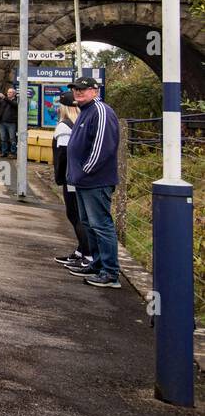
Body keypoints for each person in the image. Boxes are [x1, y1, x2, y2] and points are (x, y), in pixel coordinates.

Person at [63, 77, 122, 288]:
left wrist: (85, 171)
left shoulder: (101, 111)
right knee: (89, 223)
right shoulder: (85, 110)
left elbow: (102, 147)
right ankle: (97, 264)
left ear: (95, 91)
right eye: (75, 89)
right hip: (82, 180)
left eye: (83, 89)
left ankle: (110, 272)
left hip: (95, 180)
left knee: (101, 224)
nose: (78, 92)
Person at [50, 92, 93, 270]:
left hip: (71, 177)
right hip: (82, 176)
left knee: (75, 214)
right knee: (81, 214)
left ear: (64, 107)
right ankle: (82, 250)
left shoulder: (63, 127)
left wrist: (60, 177)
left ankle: (88, 254)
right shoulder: (80, 123)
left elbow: (63, 156)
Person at [0, 86, 19, 157]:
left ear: (14, 94)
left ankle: (14, 153)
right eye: (8, 92)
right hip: (2, 122)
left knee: (12, 138)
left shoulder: (15, 101)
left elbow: (13, 104)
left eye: (10, 92)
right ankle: (4, 152)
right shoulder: (4, 101)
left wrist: (4, 98)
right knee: (3, 138)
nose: (8, 93)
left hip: (11, 123)